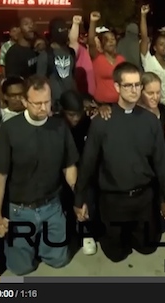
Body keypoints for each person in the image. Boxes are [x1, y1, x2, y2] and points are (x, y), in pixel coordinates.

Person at [74, 62, 165, 262]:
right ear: (117, 87)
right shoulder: (102, 122)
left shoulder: (150, 121)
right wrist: (80, 199)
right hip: (113, 201)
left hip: (143, 199)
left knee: (147, 249)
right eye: (128, 85)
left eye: (137, 85)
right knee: (116, 255)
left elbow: (162, 162)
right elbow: (88, 164)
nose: (134, 90)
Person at [0, 75, 79, 275]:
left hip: (52, 206)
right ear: (24, 101)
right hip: (20, 210)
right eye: (37, 103)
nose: (43, 108)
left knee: (59, 261)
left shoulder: (60, 126)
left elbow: (69, 166)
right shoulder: (10, 130)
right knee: (21, 269)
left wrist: (79, 197)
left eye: (47, 102)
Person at [57, 90, 97, 255]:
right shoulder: (55, 124)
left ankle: (86, 232)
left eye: (78, 114)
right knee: (66, 203)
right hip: (60, 170)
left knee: (85, 200)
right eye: (71, 114)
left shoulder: (87, 121)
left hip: (83, 169)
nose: (75, 118)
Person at [36, 17, 76, 110]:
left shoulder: (71, 52)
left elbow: (73, 78)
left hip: (70, 103)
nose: (65, 32)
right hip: (54, 106)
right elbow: (40, 83)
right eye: (61, 29)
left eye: (66, 29)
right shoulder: (45, 55)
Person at [88, 11, 125, 106]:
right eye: (107, 40)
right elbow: (91, 41)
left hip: (120, 103)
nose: (111, 42)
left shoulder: (121, 59)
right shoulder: (97, 57)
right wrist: (93, 22)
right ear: (102, 44)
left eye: (113, 39)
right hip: (101, 104)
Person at [140, 5, 165, 109]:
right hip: (150, 105)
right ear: (154, 47)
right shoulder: (148, 60)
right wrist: (143, 16)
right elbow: (144, 38)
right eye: (161, 44)